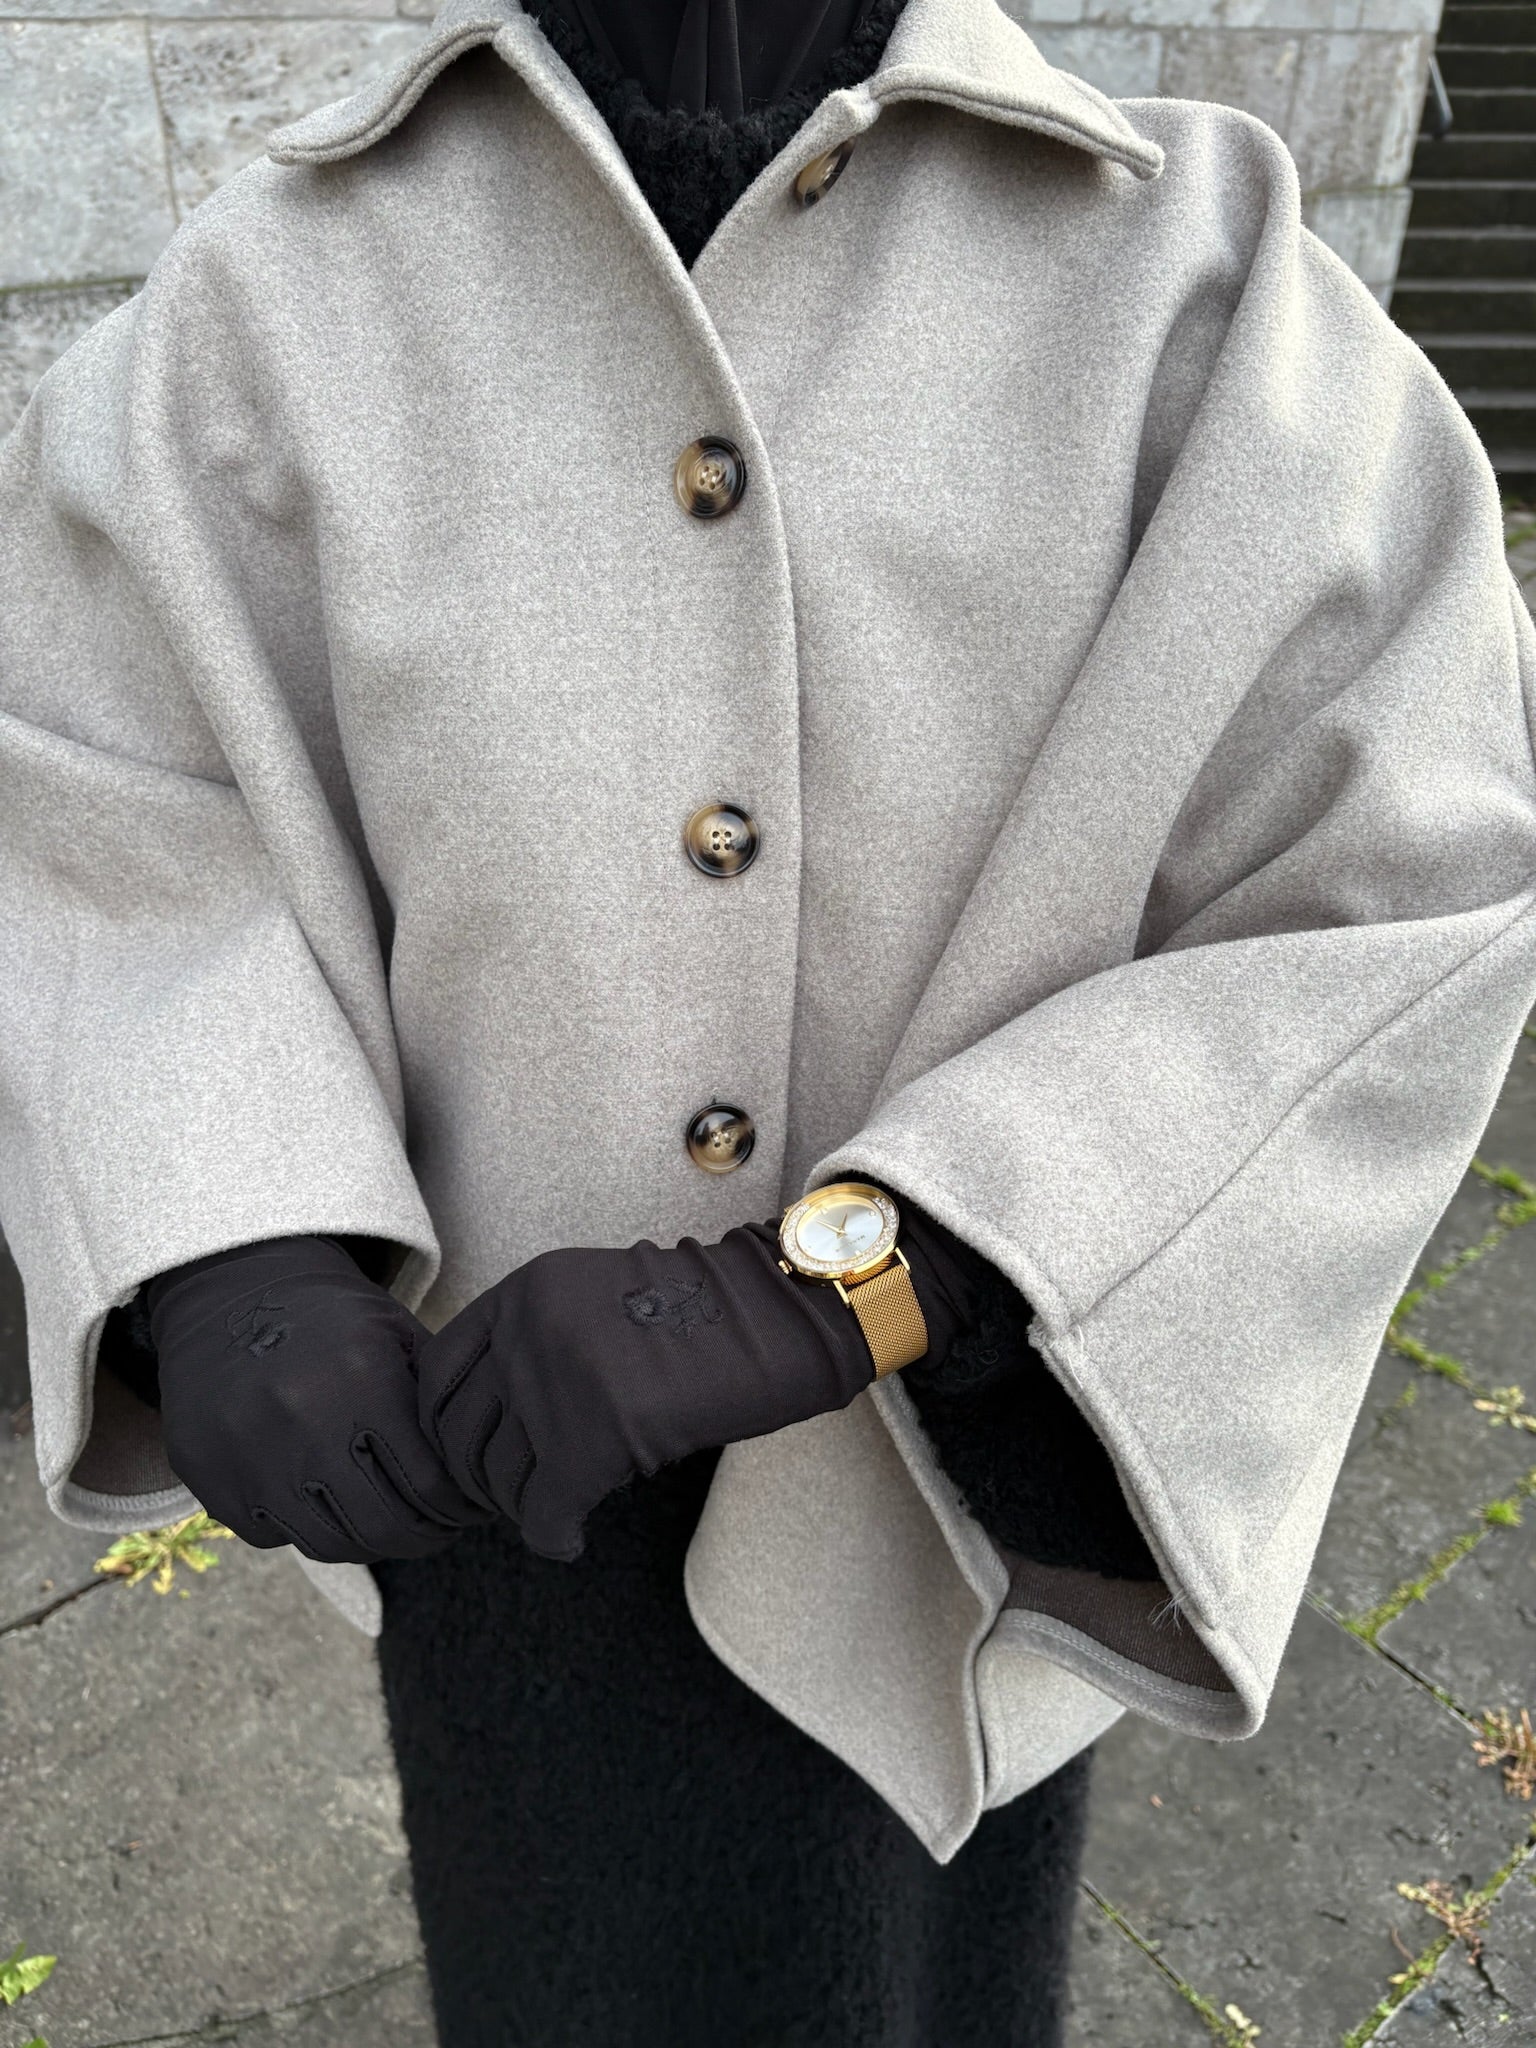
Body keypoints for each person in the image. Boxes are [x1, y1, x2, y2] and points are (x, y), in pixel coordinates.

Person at [3, 0, 1534, 2042]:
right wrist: (230, 1232)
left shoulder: (1202, 283)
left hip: (944, 1503)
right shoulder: (268, 300)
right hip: (481, 1514)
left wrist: (887, 1271)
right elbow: (107, 783)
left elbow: (1404, 875)